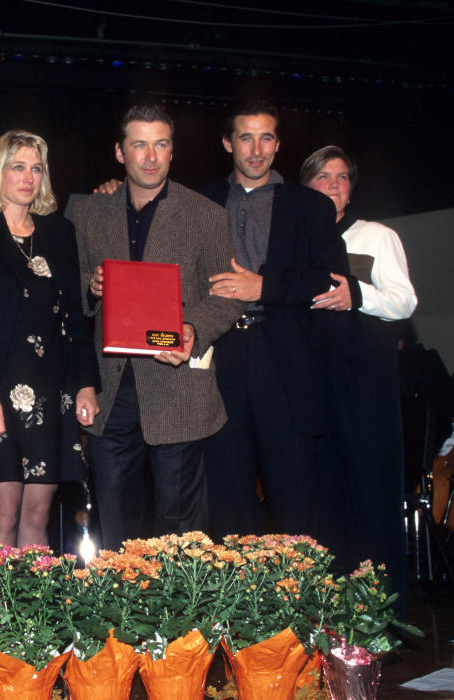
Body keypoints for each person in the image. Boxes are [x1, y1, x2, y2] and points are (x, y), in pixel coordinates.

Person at [71, 104, 242, 548]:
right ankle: (117, 616)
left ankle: (185, 617)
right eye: (139, 144)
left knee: (182, 529)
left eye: (161, 144)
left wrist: (192, 330)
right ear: (119, 152)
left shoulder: (206, 214)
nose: (151, 156)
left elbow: (226, 294)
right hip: (111, 390)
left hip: (179, 383)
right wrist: (90, 286)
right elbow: (66, 298)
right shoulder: (89, 212)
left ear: (172, 151)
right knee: (116, 526)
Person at [198, 100, 350, 540]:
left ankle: (296, 602)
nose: (256, 149)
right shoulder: (198, 201)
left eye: (266, 137)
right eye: (246, 137)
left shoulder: (311, 206)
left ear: (278, 145)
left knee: (293, 494)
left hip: (284, 357)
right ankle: (236, 604)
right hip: (219, 355)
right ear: (228, 143)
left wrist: (262, 287)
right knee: (226, 493)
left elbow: (330, 283)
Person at [0, 130, 100, 547]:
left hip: (51, 393)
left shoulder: (59, 233)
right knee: (3, 513)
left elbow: (74, 318)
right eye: (18, 167)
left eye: (36, 168)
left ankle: (35, 615)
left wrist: (85, 383)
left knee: (37, 516)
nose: (28, 177)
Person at [301, 144, 415, 587]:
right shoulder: (297, 243)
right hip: (315, 383)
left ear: (351, 189)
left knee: (373, 496)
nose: (333, 184)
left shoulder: (376, 235)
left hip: (367, 384)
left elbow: (405, 302)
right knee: (325, 502)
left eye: (342, 177)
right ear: (305, 188)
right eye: (322, 177)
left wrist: (359, 296)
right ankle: (333, 617)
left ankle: (384, 614)